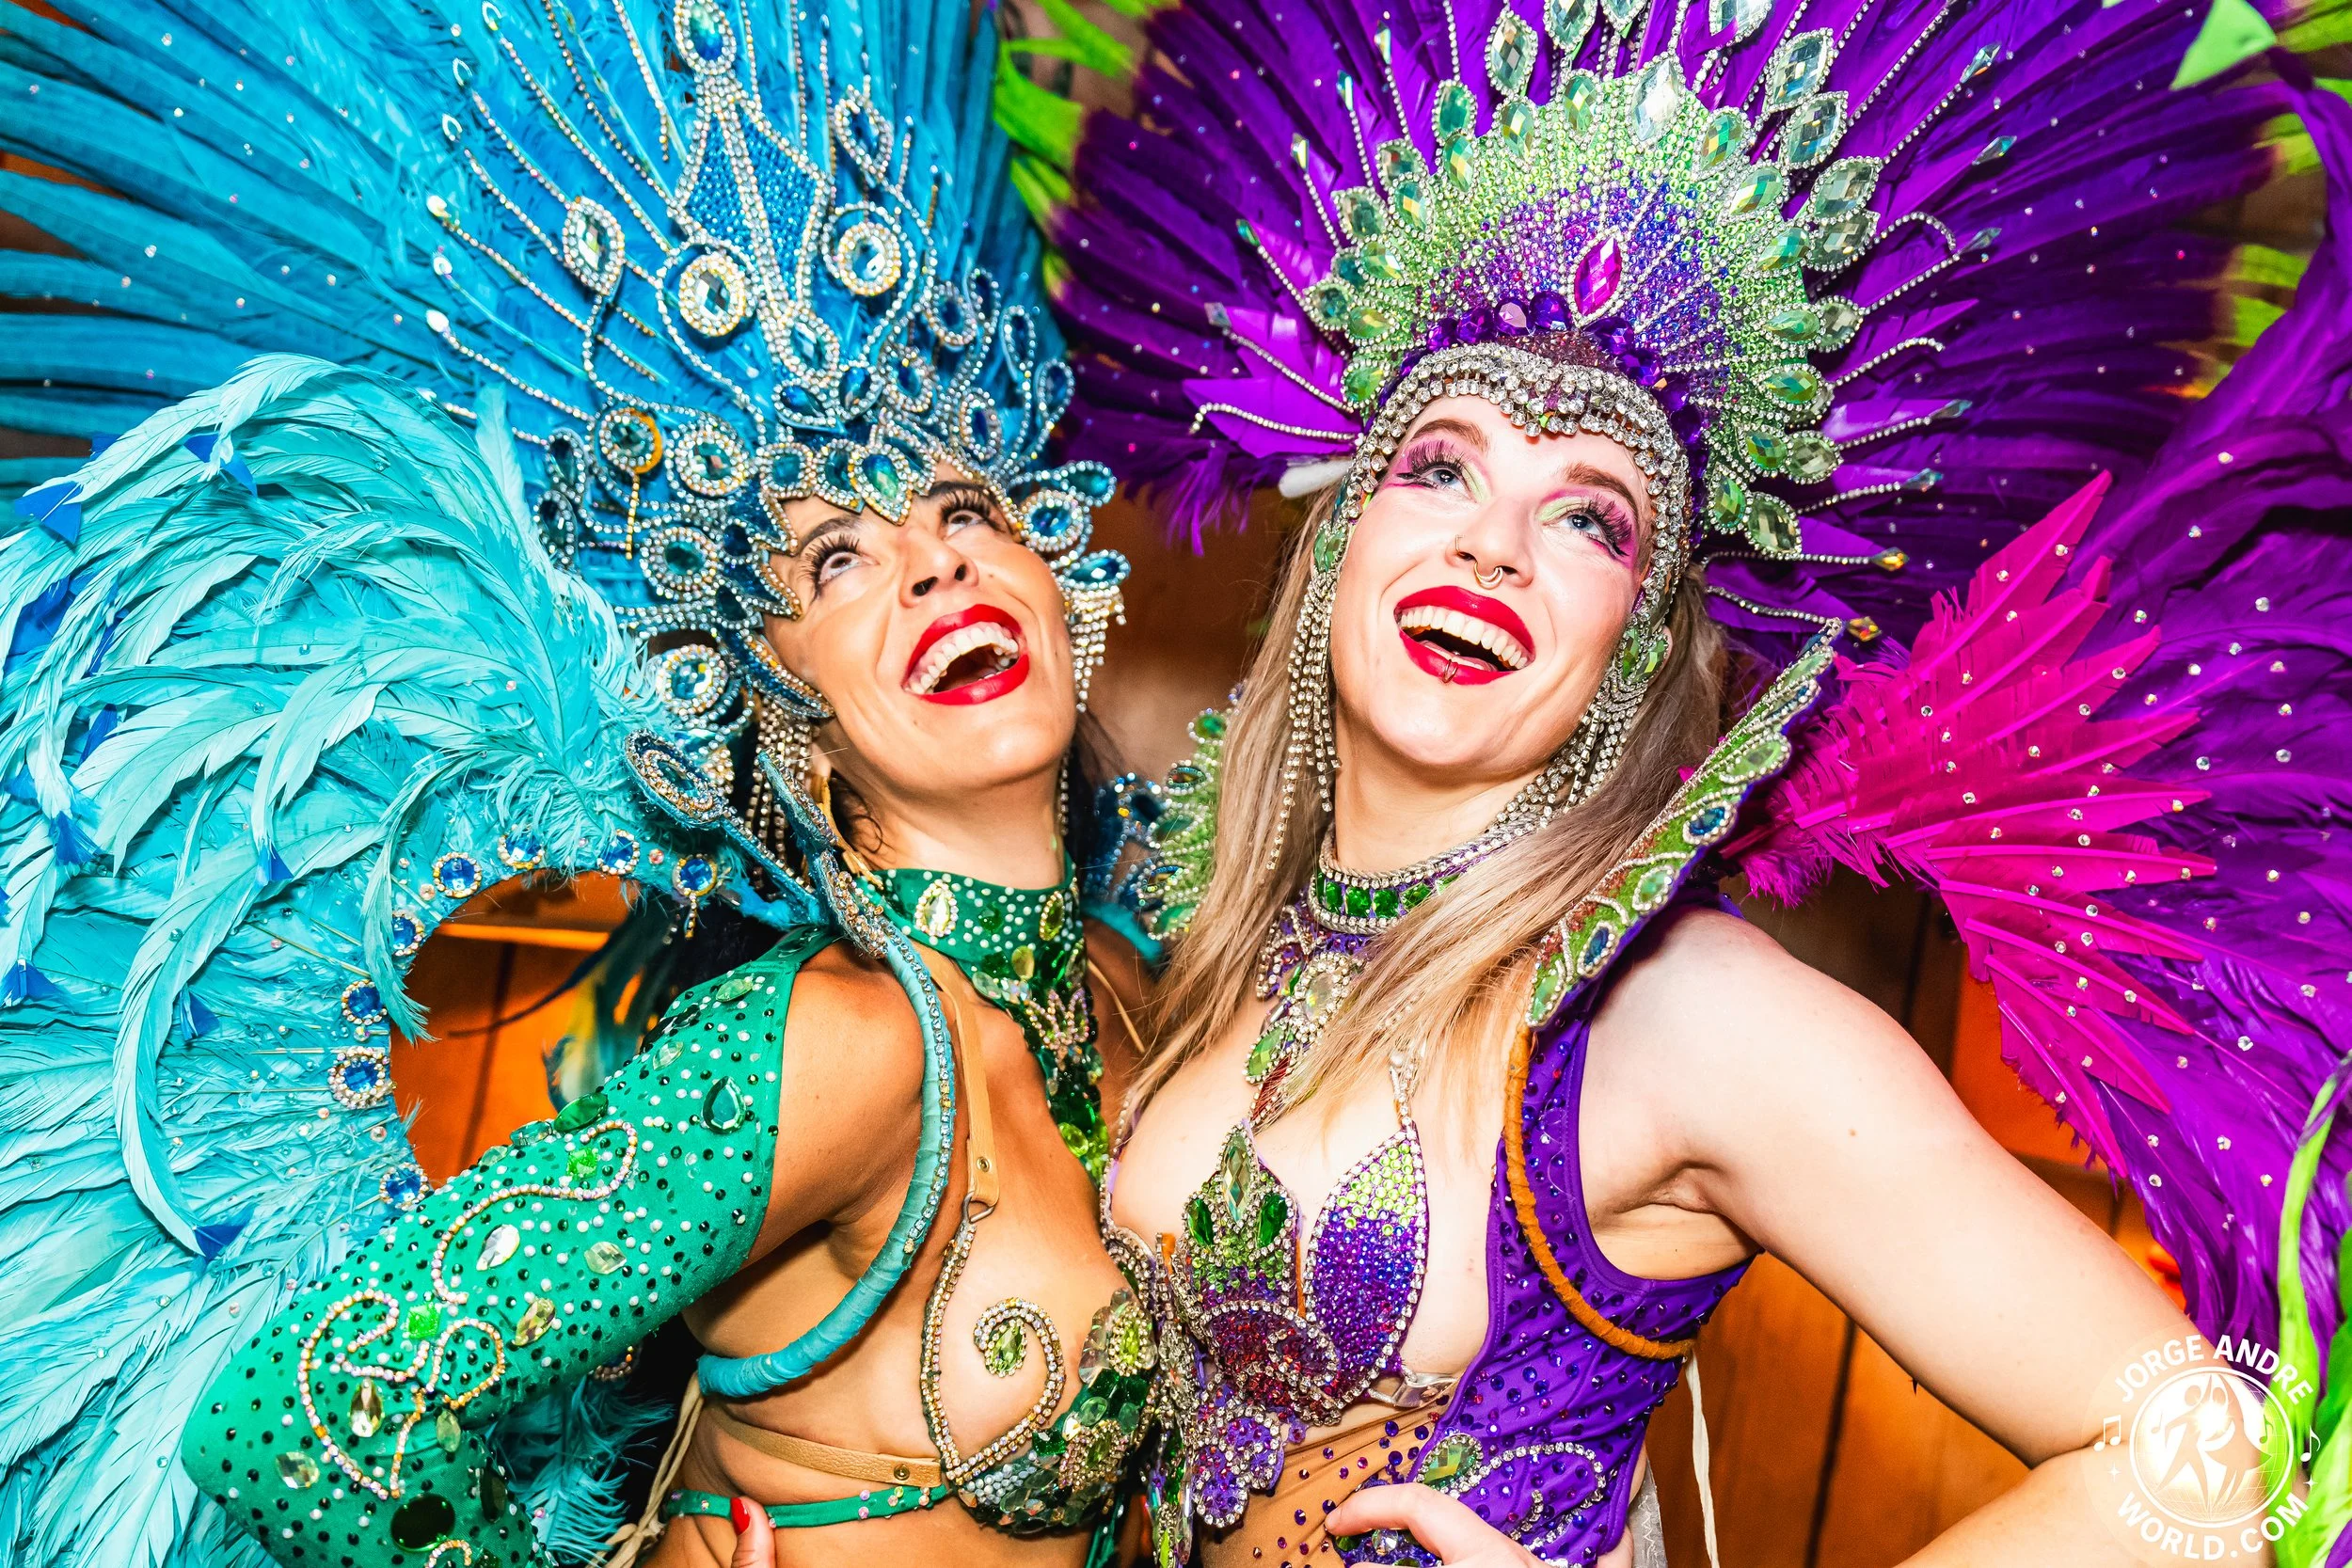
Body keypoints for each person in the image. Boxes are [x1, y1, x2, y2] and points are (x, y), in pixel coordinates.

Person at [1010, 0, 2352, 1561]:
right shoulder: (1214, 927)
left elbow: (2210, 1456)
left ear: (1637, 649)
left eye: (1592, 519)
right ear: (1337, 547)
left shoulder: (1668, 1011)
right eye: (1440, 465)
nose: (1491, 542)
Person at [0, 2, 1166, 1565]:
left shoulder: (1119, 978)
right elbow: (297, 1412)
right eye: (837, 558)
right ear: (782, 721)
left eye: (963, 503)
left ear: (1058, 566)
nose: (931, 555)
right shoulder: (843, 1043)